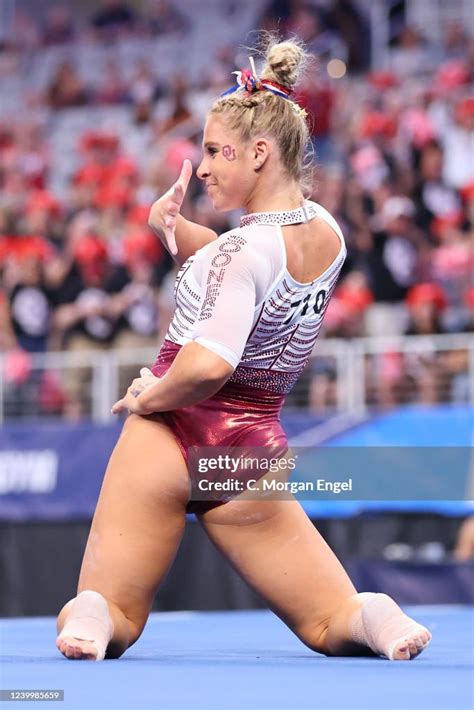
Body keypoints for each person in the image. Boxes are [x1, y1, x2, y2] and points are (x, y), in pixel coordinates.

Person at [56, 37, 431, 662]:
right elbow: (243, 272)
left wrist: (152, 394)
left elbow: (208, 364)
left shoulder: (242, 251)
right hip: (250, 448)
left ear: (259, 152)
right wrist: (173, 229)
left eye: (212, 152)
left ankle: (92, 616)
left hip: (172, 435)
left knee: (115, 607)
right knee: (329, 620)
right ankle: (376, 616)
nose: (200, 168)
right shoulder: (326, 232)